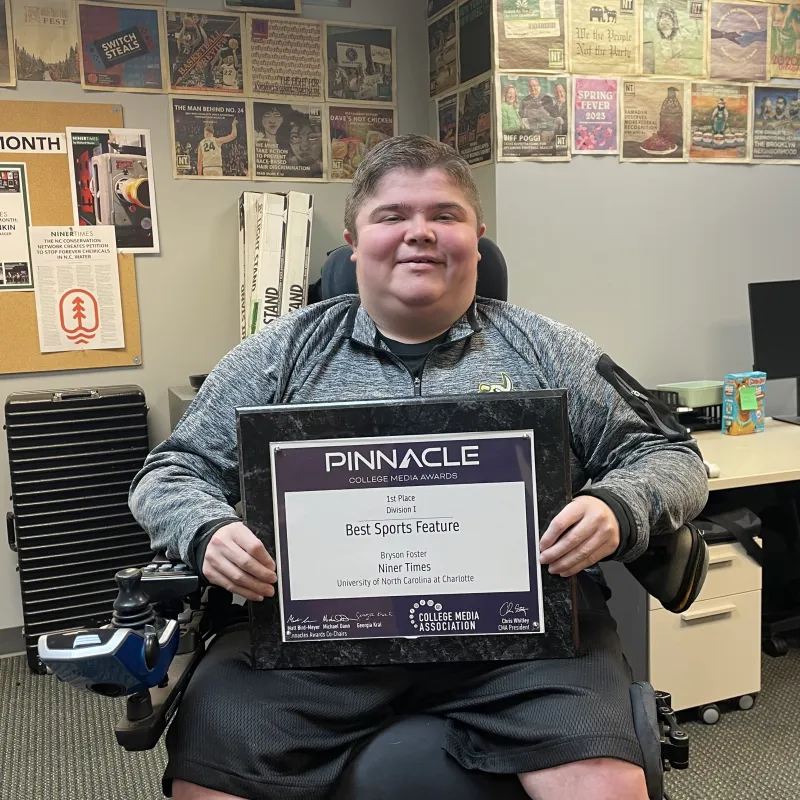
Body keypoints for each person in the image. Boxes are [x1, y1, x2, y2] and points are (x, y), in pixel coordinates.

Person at [129, 134, 708, 800]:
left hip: (521, 643)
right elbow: (169, 472)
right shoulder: (277, 357)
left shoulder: (551, 352)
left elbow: (671, 456)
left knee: (604, 783)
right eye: (393, 215)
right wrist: (207, 531)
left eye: (444, 214)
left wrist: (617, 505)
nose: (419, 233)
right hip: (317, 644)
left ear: (478, 239)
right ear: (354, 242)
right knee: (211, 772)